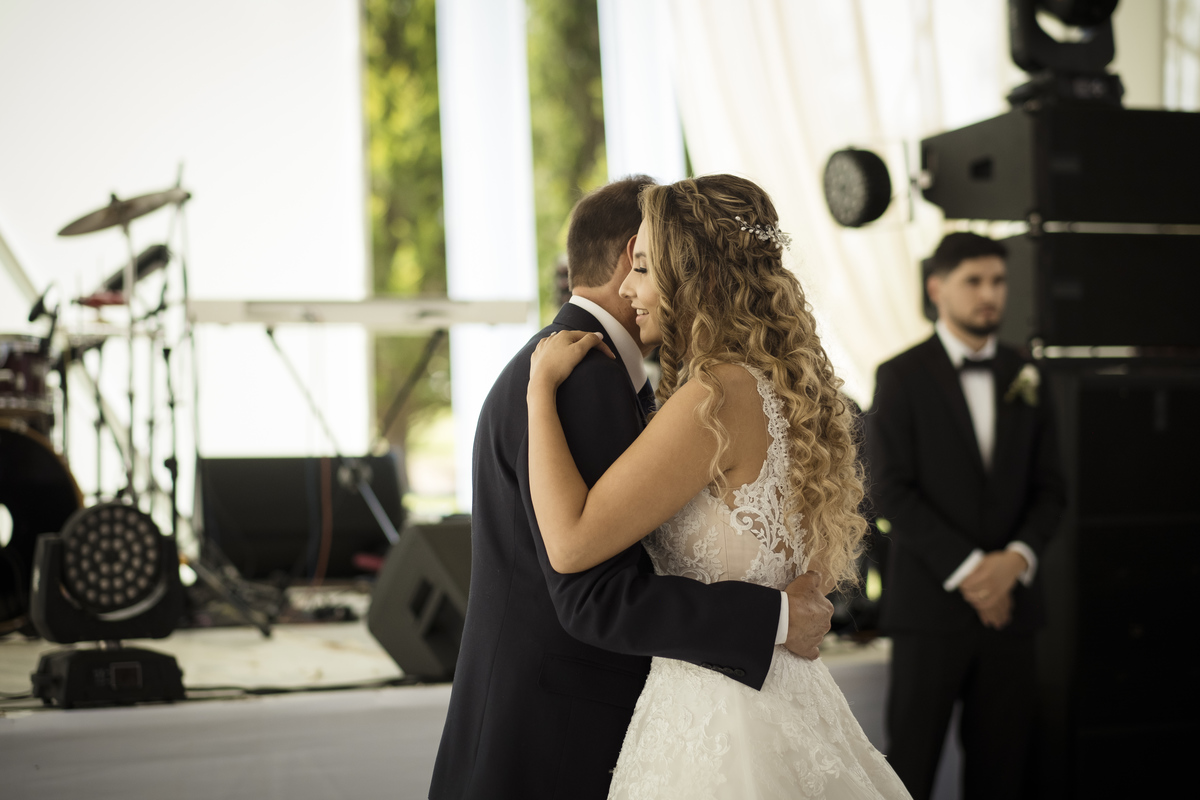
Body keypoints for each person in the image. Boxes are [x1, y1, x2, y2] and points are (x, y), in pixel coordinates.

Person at [429, 176, 836, 800]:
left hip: (656, 715)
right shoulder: (586, 376)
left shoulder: (681, 386)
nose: (629, 287)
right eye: (637, 264)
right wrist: (776, 617)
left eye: (647, 267)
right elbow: (589, 589)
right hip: (554, 728)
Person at [526, 174, 910, 799]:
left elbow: (570, 546)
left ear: (693, 275)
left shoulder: (714, 398)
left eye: (643, 268)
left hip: (720, 714)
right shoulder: (785, 385)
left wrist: (540, 393)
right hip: (782, 689)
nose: (628, 288)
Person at [866, 232, 1066, 800]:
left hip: (1012, 616)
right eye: (973, 281)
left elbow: (1052, 490)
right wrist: (974, 571)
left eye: (998, 281)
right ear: (937, 288)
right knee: (909, 771)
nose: (989, 295)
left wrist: (1015, 562)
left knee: (1002, 774)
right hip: (929, 611)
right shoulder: (900, 375)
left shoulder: (1027, 373)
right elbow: (889, 492)